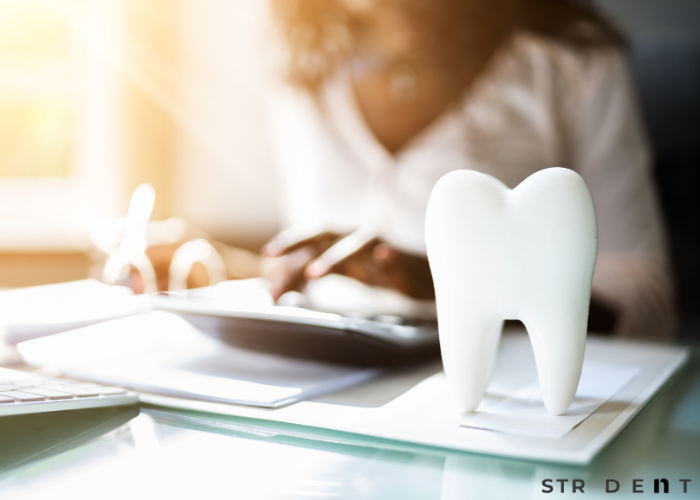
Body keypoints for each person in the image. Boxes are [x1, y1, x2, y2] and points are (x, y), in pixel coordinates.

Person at [260, 0, 677, 336]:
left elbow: (646, 301)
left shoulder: (570, 62)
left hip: (509, 390)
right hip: (329, 375)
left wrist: (455, 282)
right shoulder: (301, 65)